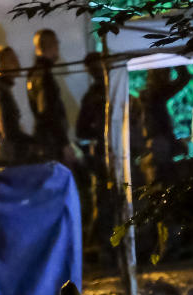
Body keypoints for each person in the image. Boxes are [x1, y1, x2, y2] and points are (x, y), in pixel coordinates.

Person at [76, 51, 112, 253]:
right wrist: (100, 132)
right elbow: (81, 129)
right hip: (102, 154)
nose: (99, 69)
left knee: (106, 200)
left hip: (111, 152)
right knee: (104, 200)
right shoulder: (93, 96)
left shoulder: (108, 89)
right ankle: (100, 246)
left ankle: (101, 244)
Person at [27, 29, 73, 165]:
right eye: (56, 43)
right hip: (51, 144)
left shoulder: (34, 73)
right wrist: (63, 143)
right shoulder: (44, 75)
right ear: (51, 45)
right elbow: (48, 111)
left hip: (46, 141)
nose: (58, 47)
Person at [0, 45, 30, 165]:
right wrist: (32, 141)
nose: (17, 63)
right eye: (12, 60)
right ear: (1, 64)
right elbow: (7, 129)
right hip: (10, 155)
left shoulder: (1, 90)